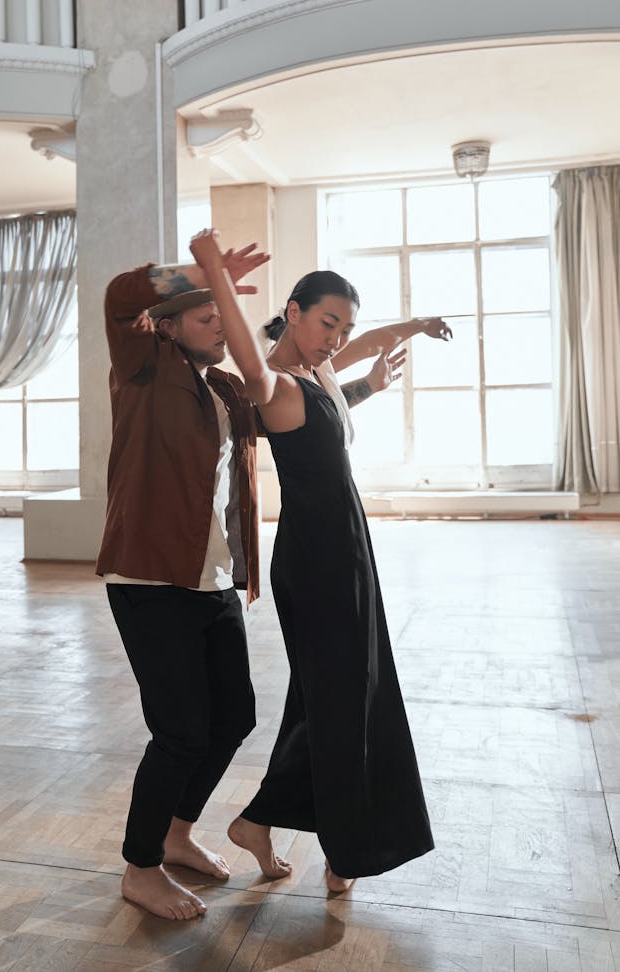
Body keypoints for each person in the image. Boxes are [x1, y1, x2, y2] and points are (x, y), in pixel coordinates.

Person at [189, 229, 451, 894]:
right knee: (343, 701)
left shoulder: (318, 372)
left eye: (346, 327)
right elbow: (251, 362)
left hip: (347, 551)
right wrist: (213, 271)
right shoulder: (275, 385)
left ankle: (262, 822)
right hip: (316, 561)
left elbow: (357, 355)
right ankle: (343, 849)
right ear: (295, 313)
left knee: (332, 696)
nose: (338, 337)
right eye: (327, 322)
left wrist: (409, 331)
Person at [96, 243, 269, 920]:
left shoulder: (225, 389)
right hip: (150, 576)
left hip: (214, 581)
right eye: (205, 316)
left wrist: (361, 383)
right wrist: (206, 275)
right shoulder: (143, 367)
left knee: (235, 717)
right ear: (167, 326)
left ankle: (175, 835)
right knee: (181, 732)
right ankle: (139, 869)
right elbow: (120, 295)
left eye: (220, 316)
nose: (219, 324)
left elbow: (286, 402)